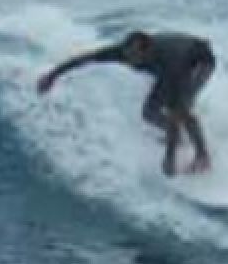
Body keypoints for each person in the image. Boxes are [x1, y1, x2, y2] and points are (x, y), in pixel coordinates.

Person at [37, 31, 216, 176]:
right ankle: (178, 137)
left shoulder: (170, 61)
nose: (131, 61)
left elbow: (175, 110)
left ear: (149, 52)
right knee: (149, 113)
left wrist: (170, 157)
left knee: (181, 107)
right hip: (171, 63)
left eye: (137, 57)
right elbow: (86, 58)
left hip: (199, 61)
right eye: (129, 56)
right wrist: (53, 75)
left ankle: (202, 156)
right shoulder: (122, 52)